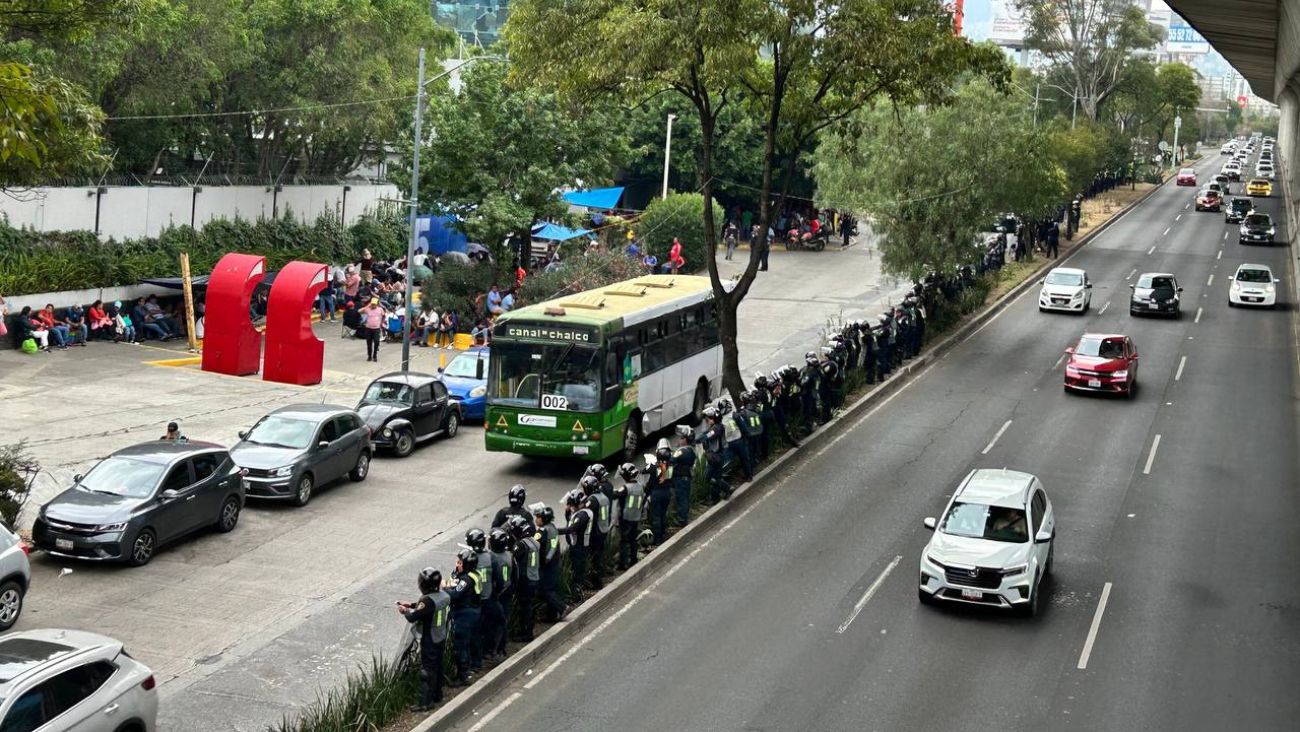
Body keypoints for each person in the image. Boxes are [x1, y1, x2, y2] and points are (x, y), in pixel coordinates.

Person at [397, 568, 450, 711]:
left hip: (430, 639)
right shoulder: (444, 596)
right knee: (438, 667)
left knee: (427, 671)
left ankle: (425, 702)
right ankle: (437, 695)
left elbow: (413, 617)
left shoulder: (427, 601)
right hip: (440, 636)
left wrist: (405, 611)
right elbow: (427, 607)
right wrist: (412, 605)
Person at [445, 549, 481, 686]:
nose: (456, 564)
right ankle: (475, 665)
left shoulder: (466, 580)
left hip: (465, 615)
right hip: (473, 612)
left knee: (461, 645)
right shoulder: (473, 574)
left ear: (467, 565)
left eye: (460, 563)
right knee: (472, 641)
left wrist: (444, 587)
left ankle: (463, 675)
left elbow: (454, 594)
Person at [532, 504, 568, 621]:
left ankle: (561, 608)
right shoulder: (552, 528)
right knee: (552, 589)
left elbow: (533, 546)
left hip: (546, 566)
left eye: (538, 517)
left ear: (544, 518)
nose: (536, 519)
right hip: (555, 563)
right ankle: (551, 615)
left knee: (544, 590)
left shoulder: (541, 531)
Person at [557, 489, 592, 604]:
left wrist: (555, 531)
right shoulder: (580, 512)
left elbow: (571, 528)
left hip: (579, 547)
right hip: (578, 546)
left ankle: (578, 595)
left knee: (578, 572)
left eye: (572, 505)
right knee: (577, 570)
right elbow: (570, 521)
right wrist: (567, 512)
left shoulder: (583, 515)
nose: (571, 507)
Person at [508, 515, 540, 642]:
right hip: (534, 578)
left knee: (524, 608)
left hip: (525, 580)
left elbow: (512, 559)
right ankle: (528, 631)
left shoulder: (521, 545)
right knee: (529, 607)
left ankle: (525, 634)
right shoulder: (534, 542)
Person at [486, 528, 514, 661]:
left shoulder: (491, 558)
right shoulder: (509, 555)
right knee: (503, 620)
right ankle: (501, 648)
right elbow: (515, 575)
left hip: (496, 594)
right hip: (507, 592)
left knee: (494, 623)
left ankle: (493, 650)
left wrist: (494, 593)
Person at [579, 474, 610, 590]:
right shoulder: (603, 497)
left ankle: (597, 583)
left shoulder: (592, 500)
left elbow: (584, 512)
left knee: (594, 557)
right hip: (603, 529)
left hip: (596, 532)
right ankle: (599, 577)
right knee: (599, 555)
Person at [613, 462, 646, 569]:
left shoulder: (626, 488)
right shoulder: (640, 487)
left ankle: (623, 564)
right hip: (636, 517)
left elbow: (615, 495)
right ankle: (633, 560)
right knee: (633, 540)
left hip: (626, 518)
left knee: (624, 541)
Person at [696, 407, 729, 502]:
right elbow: (705, 433)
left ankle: (719, 496)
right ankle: (721, 492)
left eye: (709, 419)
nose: (707, 421)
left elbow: (707, 436)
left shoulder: (717, 428)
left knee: (715, 478)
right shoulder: (715, 427)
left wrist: (696, 440)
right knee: (709, 477)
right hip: (714, 457)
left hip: (717, 456)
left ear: (715, 419)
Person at [646, 443, 674, 545]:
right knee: (663, 514)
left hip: (657, 493)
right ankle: (663, 534)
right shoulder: (670, 466)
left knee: (657, 516)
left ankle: (657, 540)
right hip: (667, 492)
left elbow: (650, 482)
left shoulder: (655, 467)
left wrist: (647, 492)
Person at [669, 426, 696, 526]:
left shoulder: (683, 451)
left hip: (681, 479)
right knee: (684, 498)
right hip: (685, 478)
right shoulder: (690, 450)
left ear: (686, 439)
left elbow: (671, 460)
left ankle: (682, 519)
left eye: (681, 438)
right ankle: (683, 517)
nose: (679, 440)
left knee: (682, 499)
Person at [361, 297, 385, 362]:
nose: (373, 305)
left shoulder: (380, 309)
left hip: (376, 329)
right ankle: (369, 356)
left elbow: (384, 316)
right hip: (368, 328)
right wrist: (367, 306)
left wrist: (382, 322)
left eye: (374, 304)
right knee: (369, 343)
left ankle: (375, 355)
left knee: (376, 342)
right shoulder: (368, 309)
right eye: (372, 304)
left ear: (377, 304)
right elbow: (359, 311)